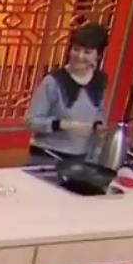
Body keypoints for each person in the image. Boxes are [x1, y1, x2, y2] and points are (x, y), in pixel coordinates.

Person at [27, 23, 111, 165]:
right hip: (48, 155)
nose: (79, 56)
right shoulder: (53, 81)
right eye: (76, 49)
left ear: (98, 55)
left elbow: (99, 112)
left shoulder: (100, 80)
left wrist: (99, 125)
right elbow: (32, 121)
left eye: (87, 52)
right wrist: (63, 125)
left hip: (82, 157)